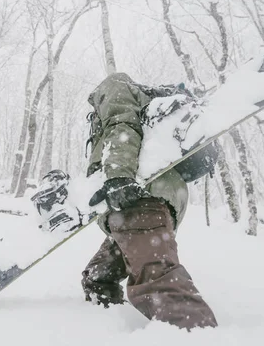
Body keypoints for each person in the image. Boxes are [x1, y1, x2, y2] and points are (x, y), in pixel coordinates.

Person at [81, 72, 218, 330]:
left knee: (159, 282)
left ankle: (196, 334)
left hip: (137, 197)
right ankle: (103, 320)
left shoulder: (114, 85)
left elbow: (122, 126)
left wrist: (118, 176)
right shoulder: (147, 104)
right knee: (98, 278)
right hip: (148, 204)